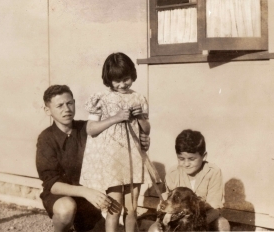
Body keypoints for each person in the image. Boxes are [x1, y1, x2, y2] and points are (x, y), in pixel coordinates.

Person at [36, 85, 150, 232]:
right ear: (47, 110)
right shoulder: (46, 138)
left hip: (89, 199)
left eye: (70, 103)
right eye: (59, 106)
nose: (67, 109)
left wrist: (142, 141)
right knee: (66, 209)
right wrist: (85, 191)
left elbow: (117, 140)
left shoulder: (88, 128)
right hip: (62, 196)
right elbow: (52, 184)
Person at [79, 52, 152, 232]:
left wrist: (140, 117)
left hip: (133, 157)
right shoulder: (101, 99)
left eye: (126, 79)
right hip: (112, 160)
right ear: (109, 80)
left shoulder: (139, 98)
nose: (122, 84)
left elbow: (147, 129)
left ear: (132, 75)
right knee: (114, 207)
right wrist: (116, 117)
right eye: (116, 81)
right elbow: (90, 129)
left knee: (132, 208)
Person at [148, 129, 230, 231]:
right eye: (181, 159)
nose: (186, 164)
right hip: (176, 219)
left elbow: (215, 209)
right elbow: (165, 202)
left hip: (203, 219)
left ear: (203, 156)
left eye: (191, 159)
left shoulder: (213, 172)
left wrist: (193, 226)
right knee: (154, 229)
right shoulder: (173, 173)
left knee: (222, 224)